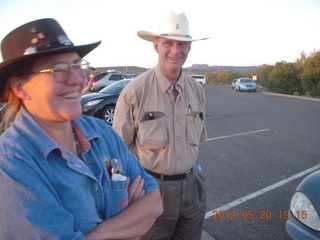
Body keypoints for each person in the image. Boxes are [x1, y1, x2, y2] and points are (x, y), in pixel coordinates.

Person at [0, 18, 163, 239]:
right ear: (21, 88)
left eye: (78, 65)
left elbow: (153, 201)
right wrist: (129, 225)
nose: (78, 79)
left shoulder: (101, 133)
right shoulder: (11, 164)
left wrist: (95, 234)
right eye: (58, 69)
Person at [113, 11, 209, 240]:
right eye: (168, 43)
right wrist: (121, 197)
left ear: (190, 47)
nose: (176, 51)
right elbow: (115, 153)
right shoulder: (134, 92)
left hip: (192, 187)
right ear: (156, 46)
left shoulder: (197, 91)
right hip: (151, 189)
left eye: (183, 44)